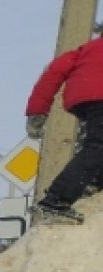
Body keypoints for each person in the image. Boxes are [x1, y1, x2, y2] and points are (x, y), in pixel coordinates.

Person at [25, 29, 103, 224]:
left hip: (82, 101)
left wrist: (38, 111)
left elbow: (52, 74)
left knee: (97, 143)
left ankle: (95, 183)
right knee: (98, 144)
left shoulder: (83, 50)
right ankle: (56, 199)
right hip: (100, 97)